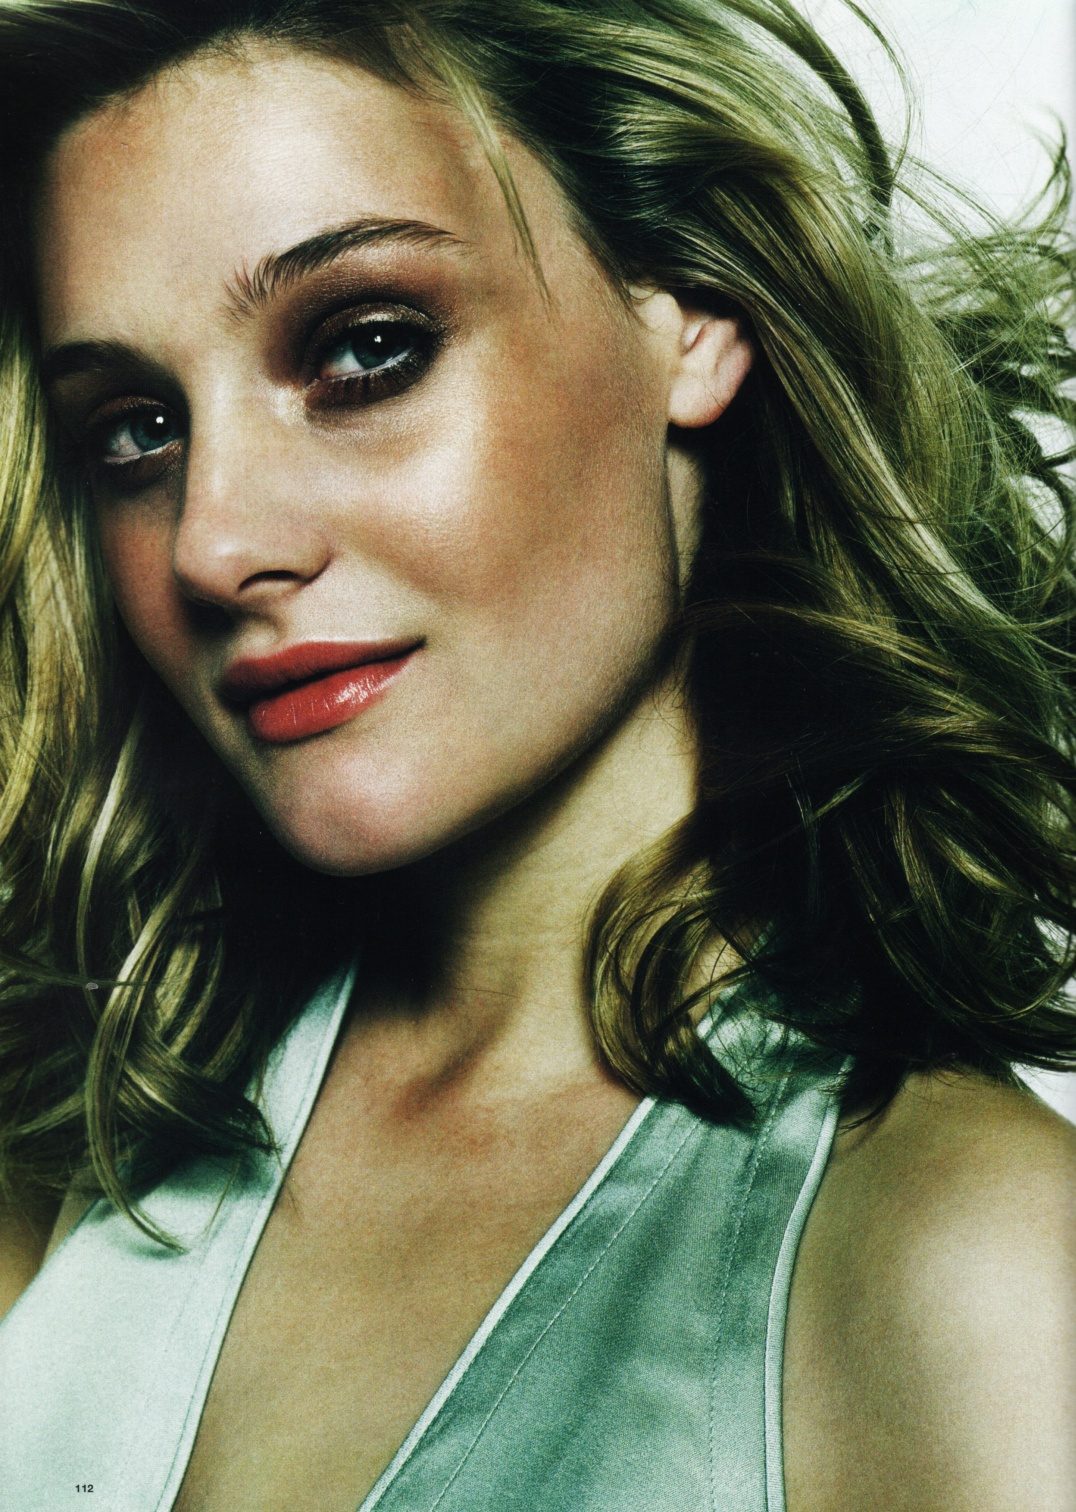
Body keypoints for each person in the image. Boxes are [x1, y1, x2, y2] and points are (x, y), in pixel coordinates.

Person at [0, 0, 1073, 1507]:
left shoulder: (964, 1268)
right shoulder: (79, 1146)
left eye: (366, 351)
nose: (214, 541)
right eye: (134, 430)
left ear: (692, 314)